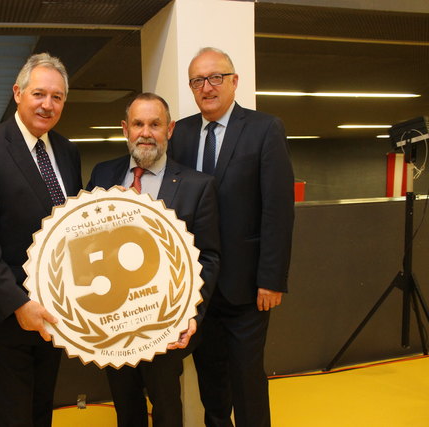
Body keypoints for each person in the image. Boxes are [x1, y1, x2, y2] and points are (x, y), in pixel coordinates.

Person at [168, 47, 294, 427]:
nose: (207, 87)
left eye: (215, 77)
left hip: (247, 289)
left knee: (247, 381)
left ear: (234, 81)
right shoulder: (182, 133)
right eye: (197, 80)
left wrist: (271, 280)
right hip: (201, 289)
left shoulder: (264, 129)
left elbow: (278, 210)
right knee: (211, 382)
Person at [0, 52, 82, 427]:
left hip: (57, 310)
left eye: (57, 97)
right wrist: (17, 303)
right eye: (39, 94)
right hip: (8, 314)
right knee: (12, 415)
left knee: (42, 409)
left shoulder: (67, 150)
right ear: (18, 93)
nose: (47, 104)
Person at [86, 92, 220, 427]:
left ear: (170, 129)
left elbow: (209, 258)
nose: (146, 132)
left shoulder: (196, 186)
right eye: (138, 124)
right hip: (112, 324)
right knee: (126, 407)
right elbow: (85, 245)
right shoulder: (103, 175)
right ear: (125, 129)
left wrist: (193, 314)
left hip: (167, 323)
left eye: (155, 124)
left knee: (166, 408)